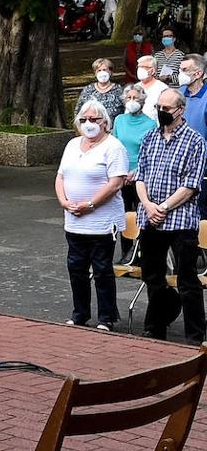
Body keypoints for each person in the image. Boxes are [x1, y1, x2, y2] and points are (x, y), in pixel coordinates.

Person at [134, 88, 207, 344]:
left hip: (180, 220)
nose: (161, 112)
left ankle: (195, 335)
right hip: (149, 217)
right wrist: (147, 205)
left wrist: (163, 207)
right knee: (151, 275)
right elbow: (140, 176)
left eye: (166, 108)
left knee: (187, 279)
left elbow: (191, 185)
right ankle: (156, 326)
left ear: (180, 110)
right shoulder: (149, 137)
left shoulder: (195, 140)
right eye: (159, 108)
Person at [56, 99, 127, 331]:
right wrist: (64, 201)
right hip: (74, 221)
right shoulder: (72, 145)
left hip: (101, 222)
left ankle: (107, 317)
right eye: (84, 119)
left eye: (94, 119)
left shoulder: (114, 147)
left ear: (104, 122)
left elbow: (115, 183)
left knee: (102, 270)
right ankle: (80, 314)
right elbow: (61, 176)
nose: (89, 123)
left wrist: (90, 204)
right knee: (76, 269)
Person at [114, 83, 157, 259]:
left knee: (142, 214)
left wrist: (136, 171)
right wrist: (121, 171)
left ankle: (141, 252)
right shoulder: (119, 120)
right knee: (123, 215)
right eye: (129, 98)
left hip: (141, 177)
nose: (132, 101)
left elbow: (151, 153)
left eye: (136, 98)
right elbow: (115, 147)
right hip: (121, 175)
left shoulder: (151, 124)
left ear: (143, 100)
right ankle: (126, 252)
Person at [74, 57, 124, 121]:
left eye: (104, 70)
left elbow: (126, 110)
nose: (102, 73)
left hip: (114, 126)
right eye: (99, 70)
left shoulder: (119, 90)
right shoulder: (88, 90)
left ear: (110, 72)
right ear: (95, 73)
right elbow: (78, 111)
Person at [179, 54, 207, 141]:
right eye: (180, 70)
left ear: (198, 74)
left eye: (185, 70)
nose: (180, 74)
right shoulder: (180, 91)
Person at [136, 55, 169, 122]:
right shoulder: (135, 87)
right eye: (138, 67)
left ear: (153, 70)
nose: (140, 70)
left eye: (143, 67)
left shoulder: (163, 88)